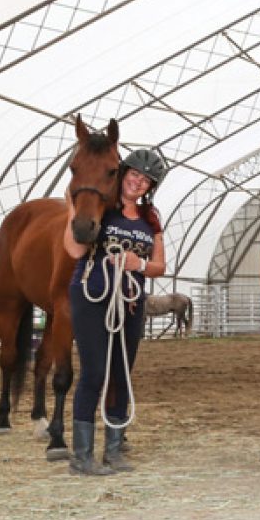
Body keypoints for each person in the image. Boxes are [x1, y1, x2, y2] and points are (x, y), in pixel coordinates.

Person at [63, 148, 169, 476]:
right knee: (94, 373)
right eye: (134, 175)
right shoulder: (103, 209)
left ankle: (113, 450)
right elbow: (75, 249)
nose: (137, 183)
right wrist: (71, 207)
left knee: (121, 375)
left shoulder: (151, 220)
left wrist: (140, 264)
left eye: (145, 180)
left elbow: (160, 267)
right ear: (123, 174)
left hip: (130, 302)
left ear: (150, 187)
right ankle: (82, 456)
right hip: (93, 295)